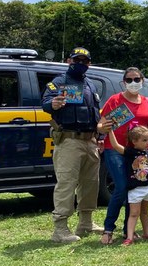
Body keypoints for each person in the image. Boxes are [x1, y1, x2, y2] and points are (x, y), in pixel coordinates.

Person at [41, 47, 104, 243]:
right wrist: (54, 104)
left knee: (90, 183)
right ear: (69, 60)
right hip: (69, 140)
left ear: (89, 64)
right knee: (67, 183)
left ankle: (86, 222)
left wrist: (99, 135)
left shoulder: (90, 85)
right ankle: (60, 229)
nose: (81, 64)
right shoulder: (59, 82)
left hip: (90, 141)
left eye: (85, 61)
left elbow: (95, 112)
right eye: (77, 60)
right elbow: (45, 103)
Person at [97, 67, 148, 244]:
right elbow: (100, 125)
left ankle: (127, 231)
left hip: (137, 154)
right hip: (115, 149)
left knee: (133, 188)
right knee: (121, 187)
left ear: (142, 80)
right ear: (123, 82)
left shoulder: (146, 102)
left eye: (136, 79)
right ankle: (108, 229)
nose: (133, 83)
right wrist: (103, 129)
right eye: (129, 80)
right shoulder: (115, 100)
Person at [106, 126, 148, 246]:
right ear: (134, 141)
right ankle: (129, 237)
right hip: (136, 189)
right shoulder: (130, 152)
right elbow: (116, 146)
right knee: (134, 213)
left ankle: (147, 232)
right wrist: (110, 131)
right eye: (144, 140)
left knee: (144, 212)